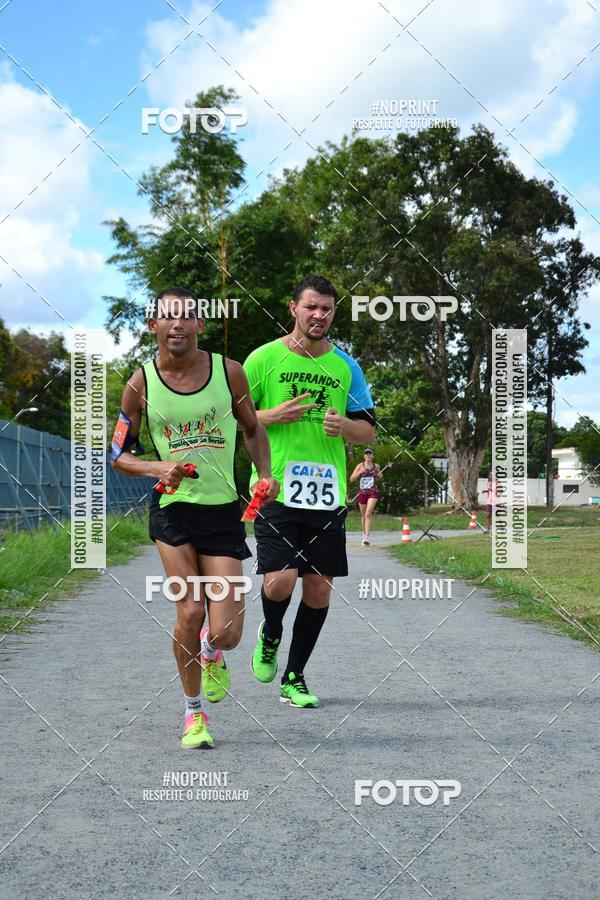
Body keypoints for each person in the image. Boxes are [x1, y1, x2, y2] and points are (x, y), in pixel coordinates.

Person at [111, 287, 278, 749]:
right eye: (168, 317)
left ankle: (211, 650)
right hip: (172, 511)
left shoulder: (230, 373)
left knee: (227, 632)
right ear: (153, 326)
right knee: (187, 608)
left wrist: (264, 474)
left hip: (222, 512)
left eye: (187, 317)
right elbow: (118, 454)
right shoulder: (139, 384)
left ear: (200, 325)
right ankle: (193, 714)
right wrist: (156, 467)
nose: (178, 324)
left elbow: (252, 428)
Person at [243, 274, 375, 708]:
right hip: (275, 487)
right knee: (279, 583)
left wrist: (346, 427)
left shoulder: (345, 366)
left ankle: (294, 677)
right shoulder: (262, 361)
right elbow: (230, 420)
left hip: (326, 494)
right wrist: (269, 415)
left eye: (327, 309)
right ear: (292, 308)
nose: (319, 315)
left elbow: (367, 432)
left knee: (318, 590)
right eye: (311, 307)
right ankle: (270, 634)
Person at [350, 448, 382, 545]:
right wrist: (360, 472)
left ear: (372, 456)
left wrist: (380, 475)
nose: (368, 455)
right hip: (362, 493)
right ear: (364, 456)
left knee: (368, 514)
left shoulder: (376, 466)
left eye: (370, 453)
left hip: (373, 492)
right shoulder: (360, 466)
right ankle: (364, 535)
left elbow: (379, 476)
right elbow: (351, 479)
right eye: (366, 453)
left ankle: (367, 537)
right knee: (363, 516)